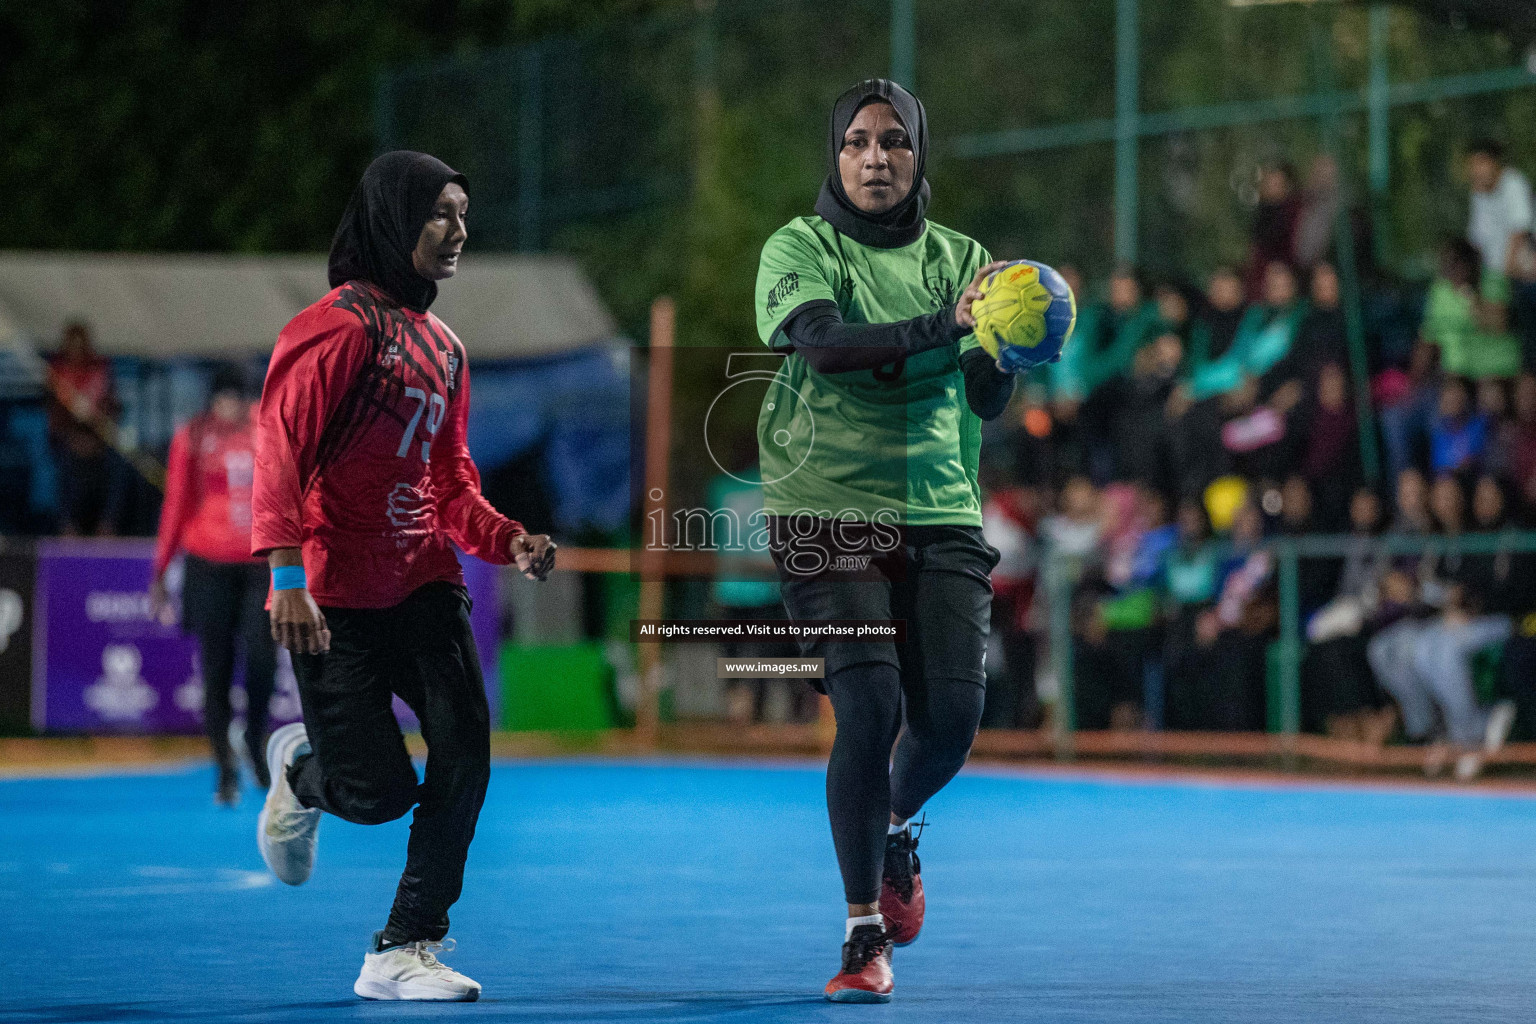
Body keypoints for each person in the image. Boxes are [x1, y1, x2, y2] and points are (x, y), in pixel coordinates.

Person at [752, 79, 1048, 1003]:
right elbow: (829, 347)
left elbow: (984, 397)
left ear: (919, 155)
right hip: (825, 503)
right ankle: (861, 936)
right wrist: (952, 322)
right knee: (870, 702)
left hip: (941, 506)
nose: (875, 158)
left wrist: (1012, 344)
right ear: (834, 156)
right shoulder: (801, 247)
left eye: (894, 143)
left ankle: (893, 827)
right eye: (856, 142)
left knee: (953, 722)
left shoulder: (966, 260)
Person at [250, 151, 556, 1002]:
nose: (459, 231)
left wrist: (506, 540)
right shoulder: (338, 329)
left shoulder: (446, 348)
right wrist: (285, 574)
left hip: (422, 576)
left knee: (466, 746)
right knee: (376, 794)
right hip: (329, 593)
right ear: (394, 219)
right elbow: (278, 446)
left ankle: (403, 946)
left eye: (464, 214)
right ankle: (305, 774)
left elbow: (449, 480)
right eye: (440, 214)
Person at [150, 363, 275, 806]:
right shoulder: (193, 435)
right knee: (216, 668)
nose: (232, 408)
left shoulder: (268, 425)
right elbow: (176, 503)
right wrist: (161, 571)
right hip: (208, 564)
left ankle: (256, 745)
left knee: (263, 659)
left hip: (261, 563)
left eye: (239, 399)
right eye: (225, 399)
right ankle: (224, 767)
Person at [46, 322, 126, 536]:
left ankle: (107, 526)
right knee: (65, 467)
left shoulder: (100, 369)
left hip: (99, 440)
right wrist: (74, 438)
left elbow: (112, 409)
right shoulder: (57, 371)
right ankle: (67, 526)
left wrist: (97, 439)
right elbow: (55, 416)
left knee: (118, 465)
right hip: (67, 440)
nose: (77, 350)